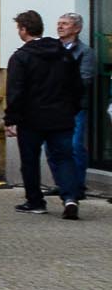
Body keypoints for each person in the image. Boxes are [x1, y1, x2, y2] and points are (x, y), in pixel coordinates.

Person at [5, 9, 86, 219]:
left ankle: (35, 201)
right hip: (61, 116)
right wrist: (72, 109)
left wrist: (10, 119)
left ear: (23, 30)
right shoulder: (64, 53)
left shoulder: (21, 57)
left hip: (31, 118)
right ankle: (70, 198)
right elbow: (77, 86)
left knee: (30, 160)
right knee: (64, 158)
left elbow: (15, 91)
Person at [57, 12, 97, 179]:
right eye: (59, 23)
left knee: (74, 146)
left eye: (65, 24)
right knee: (54, 147)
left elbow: (85, 79)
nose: (60, 26)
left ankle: (78, 185)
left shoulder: (85, 52)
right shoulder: (53, 48)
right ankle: (62, 184)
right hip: (53, 106)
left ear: (77, 29)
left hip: (75, 107)